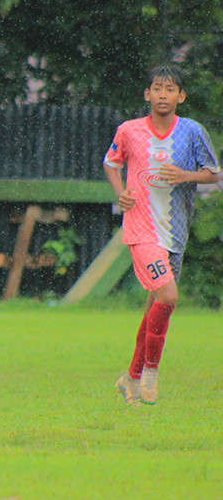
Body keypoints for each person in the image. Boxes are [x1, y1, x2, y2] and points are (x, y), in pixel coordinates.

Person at [104, 65, 219, 405]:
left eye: (170, 90)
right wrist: (119, 193)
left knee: (155, 306)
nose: (163, 95)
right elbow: (112, 163)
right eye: (157, 88)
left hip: (175, 231)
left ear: (180, 97)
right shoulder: (129, 131)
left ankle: (131, 379)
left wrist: (184, 175)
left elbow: (212, 174)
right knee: (168, 296)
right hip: (141, 230)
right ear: (147, 94)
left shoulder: (192, 132)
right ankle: (151, 373)